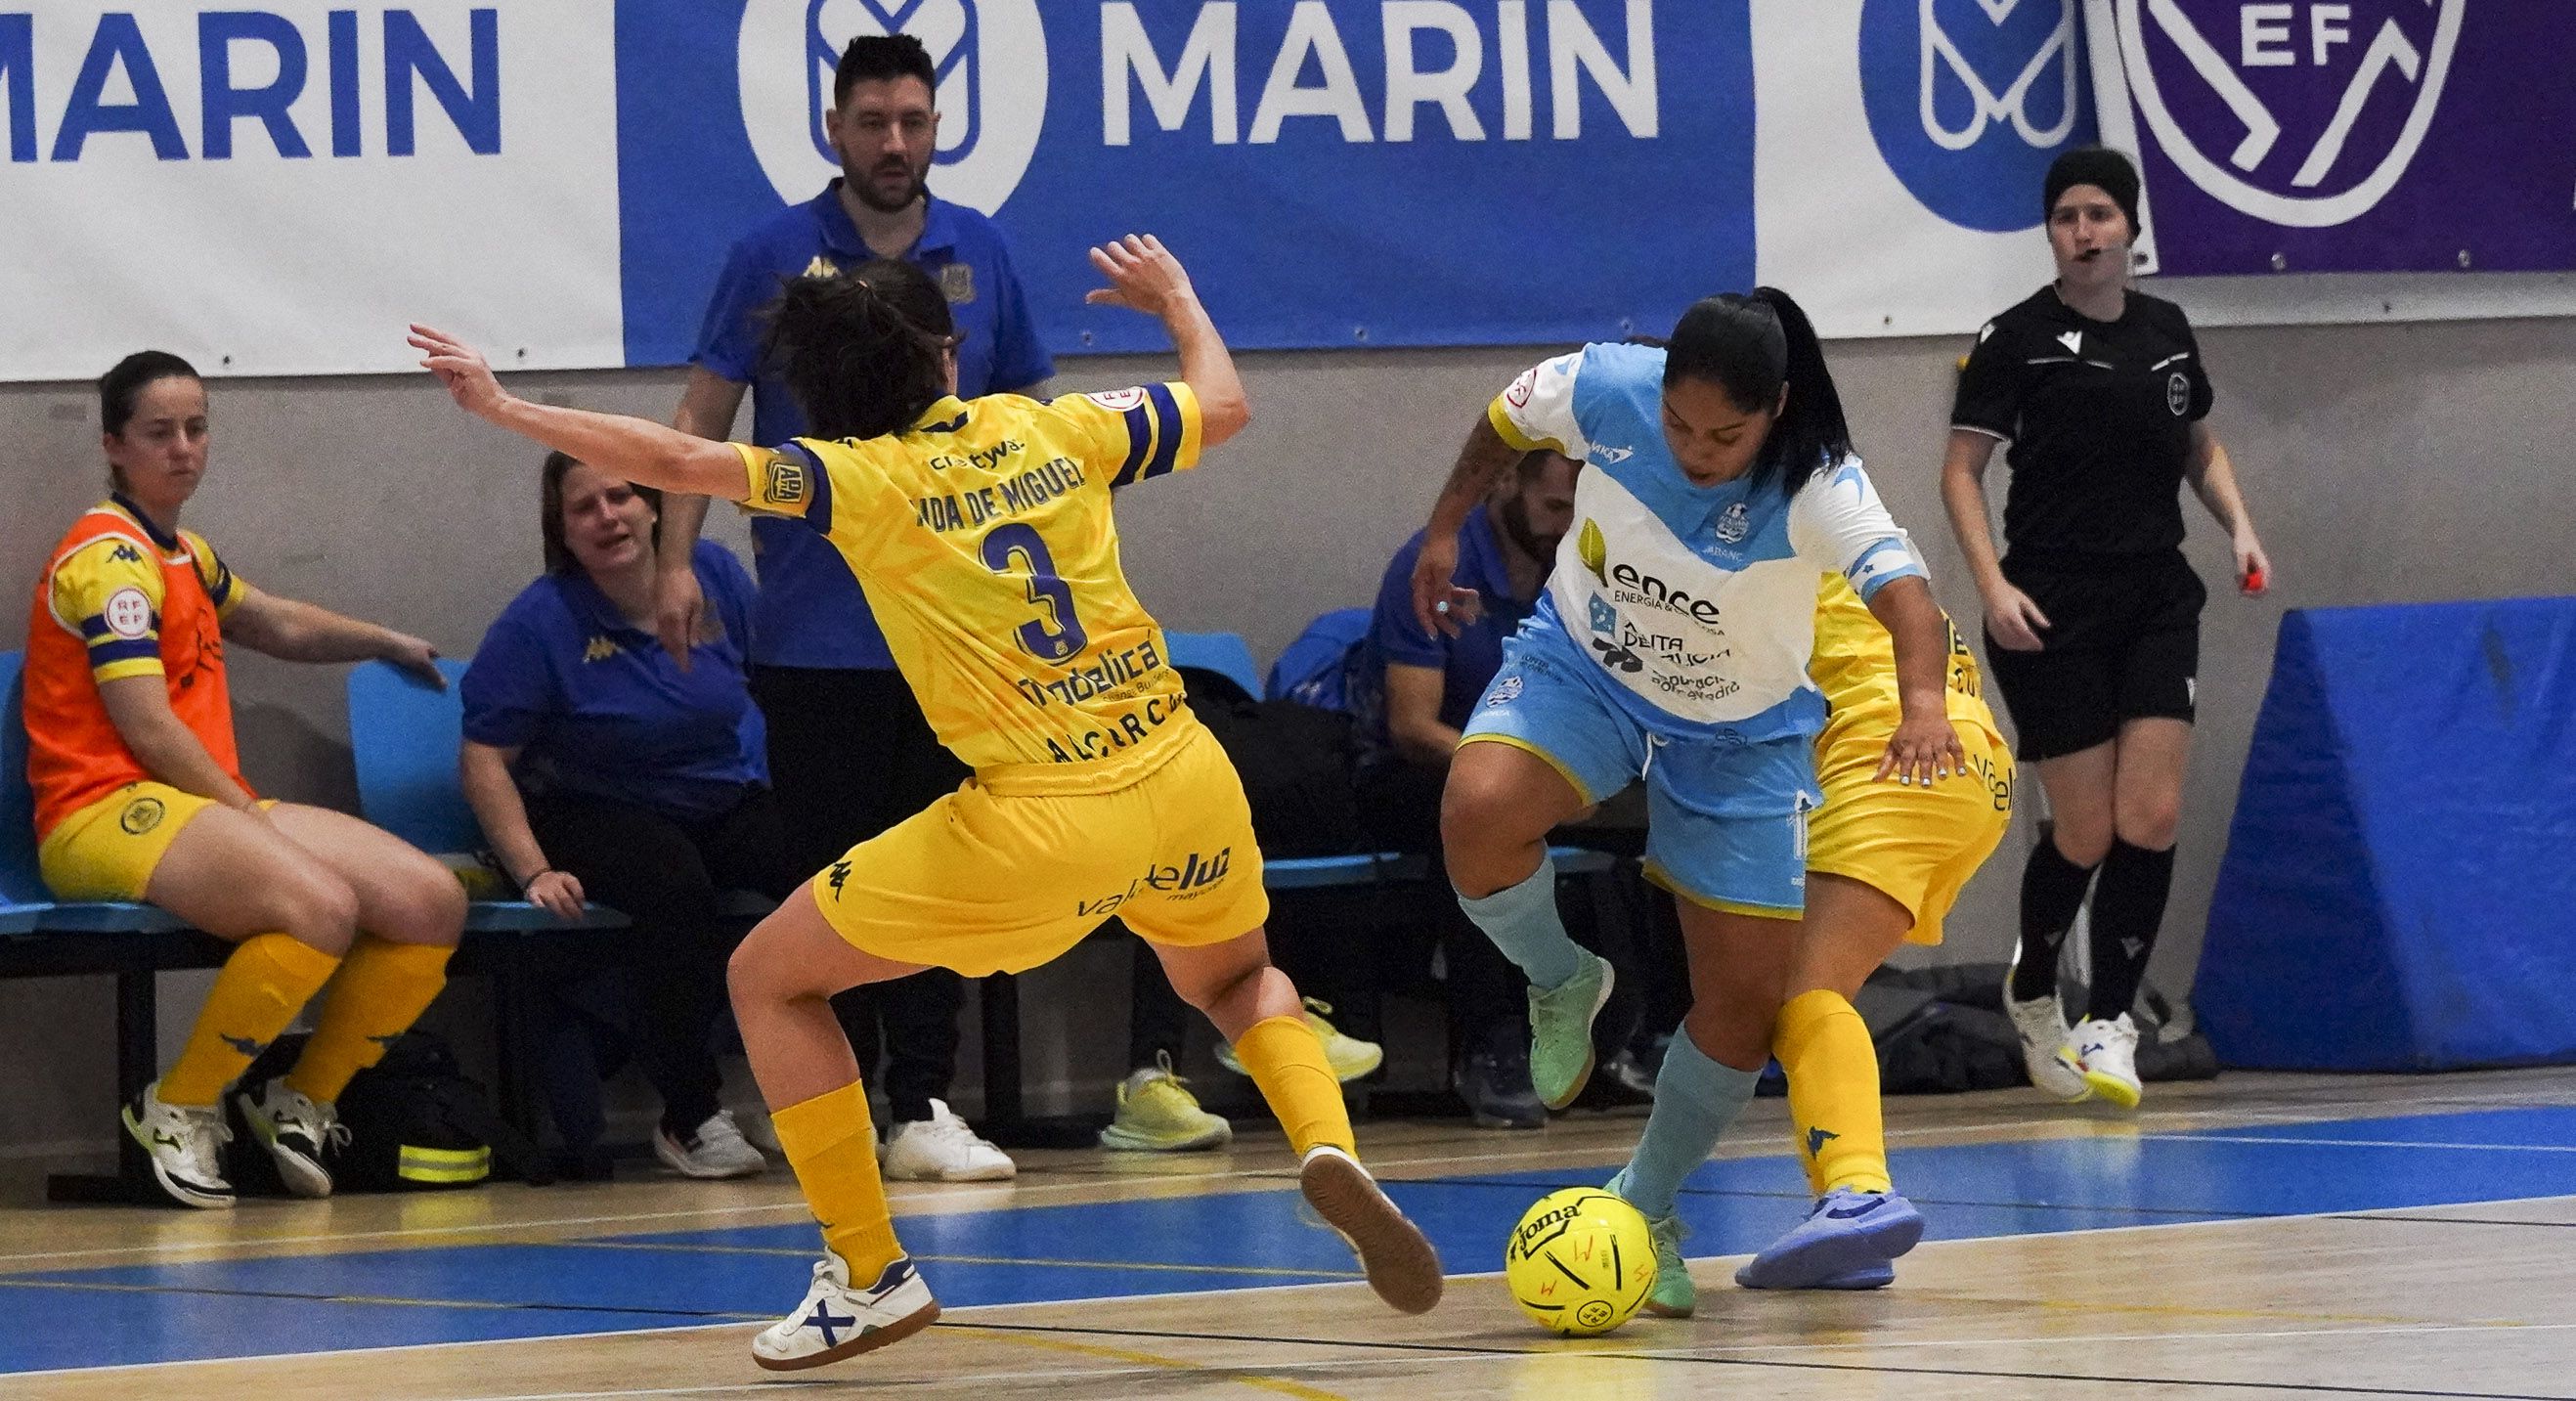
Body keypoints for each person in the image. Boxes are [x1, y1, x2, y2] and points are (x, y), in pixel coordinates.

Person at [412, 236, 1444, 1370]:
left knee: (767, 974)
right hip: (1182, 772)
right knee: (1239, 980)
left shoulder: (860, 478)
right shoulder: (1046, 426)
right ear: (948, 358)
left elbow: (681, 456)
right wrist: (1179, 299)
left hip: (1040, 816)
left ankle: (867, 1270)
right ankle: (1323, 1140)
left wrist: (505, 406)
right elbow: (1224, 403)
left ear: (828, 399)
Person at [1413, 291, 1965, 1305]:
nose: (1697, 449)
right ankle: (1560, 975)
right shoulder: (1605, 384)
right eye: (1678, 424)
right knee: (1475, 810)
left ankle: (1648, 1203)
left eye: (1725, 434)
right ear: (1656, 386)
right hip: (1587, 666)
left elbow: (1911, 603)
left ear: (1776, 410)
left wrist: (1922, 703)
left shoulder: (1818, 481)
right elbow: (1504, 417)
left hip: (1741, 736)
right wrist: (1443, 529)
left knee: (1745, 1005)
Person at [652, 33, 1054, 1181]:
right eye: (872, 122)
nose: (893, 142)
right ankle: (836, 1095)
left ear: (936, 128)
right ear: (834, 129)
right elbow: (705, 410)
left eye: (913, 122)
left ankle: (924, 1095)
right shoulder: (772, 253)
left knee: (949, 866)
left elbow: (1031, 413)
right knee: (837, 873)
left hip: (959, 630)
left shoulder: (980, 249)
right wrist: (679, 559)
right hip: (815, 630)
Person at [24, 352, 467, 1208]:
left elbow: (275, 620)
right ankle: (179, 1107)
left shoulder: (184, 551)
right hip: (99, 811)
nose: (184, 448)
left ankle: (300, 1098)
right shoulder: (109, 561)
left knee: (428, 902)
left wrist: (381, 638)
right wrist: (247, 815)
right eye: (159, 432)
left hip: (196, 805)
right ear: (115, 445)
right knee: (320, 905)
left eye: (196, 427)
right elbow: (145, 724)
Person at [1939, 147, 2271, 1110]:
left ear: (2129, 228)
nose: (2083, 232)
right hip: (2048, 604)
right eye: (2066, 217)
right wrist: (1992, 585)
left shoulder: (2166, 330)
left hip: (2155, 597)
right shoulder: (2016, 339)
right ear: (2051, 232)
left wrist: (2239, 526)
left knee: (2150, 814)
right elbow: (1961, 470)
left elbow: (2195, 440)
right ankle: (2034, 982)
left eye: (2099, 215)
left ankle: (2111, 1020)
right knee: (2082, 829)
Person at [458, 452, 801, 1179]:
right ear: (563, 530)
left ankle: (818, 1092)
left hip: (719, 793)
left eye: (621, 496)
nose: (607, 515)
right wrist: (533, 869)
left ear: (653, 507)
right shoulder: (538, 623)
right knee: (675, 887)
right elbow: (485, 760)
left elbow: (772, 688)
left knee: (826, 871)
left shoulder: (713, 576)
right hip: (591, 804)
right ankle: (689, 1115)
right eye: (585, 506)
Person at [1350, 448, 1580, 1129]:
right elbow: (1414, 726)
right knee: (1482, 818)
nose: (1565, 527)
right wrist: (1523, 778)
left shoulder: (1576, 573)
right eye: (1554, 507)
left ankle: (1658, 1034)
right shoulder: (1433, 565)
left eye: (1579, 512)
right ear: (1507, 483)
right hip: (1411, 775)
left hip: (1530, 775)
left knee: (1675, 813)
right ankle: (1491, 1043)